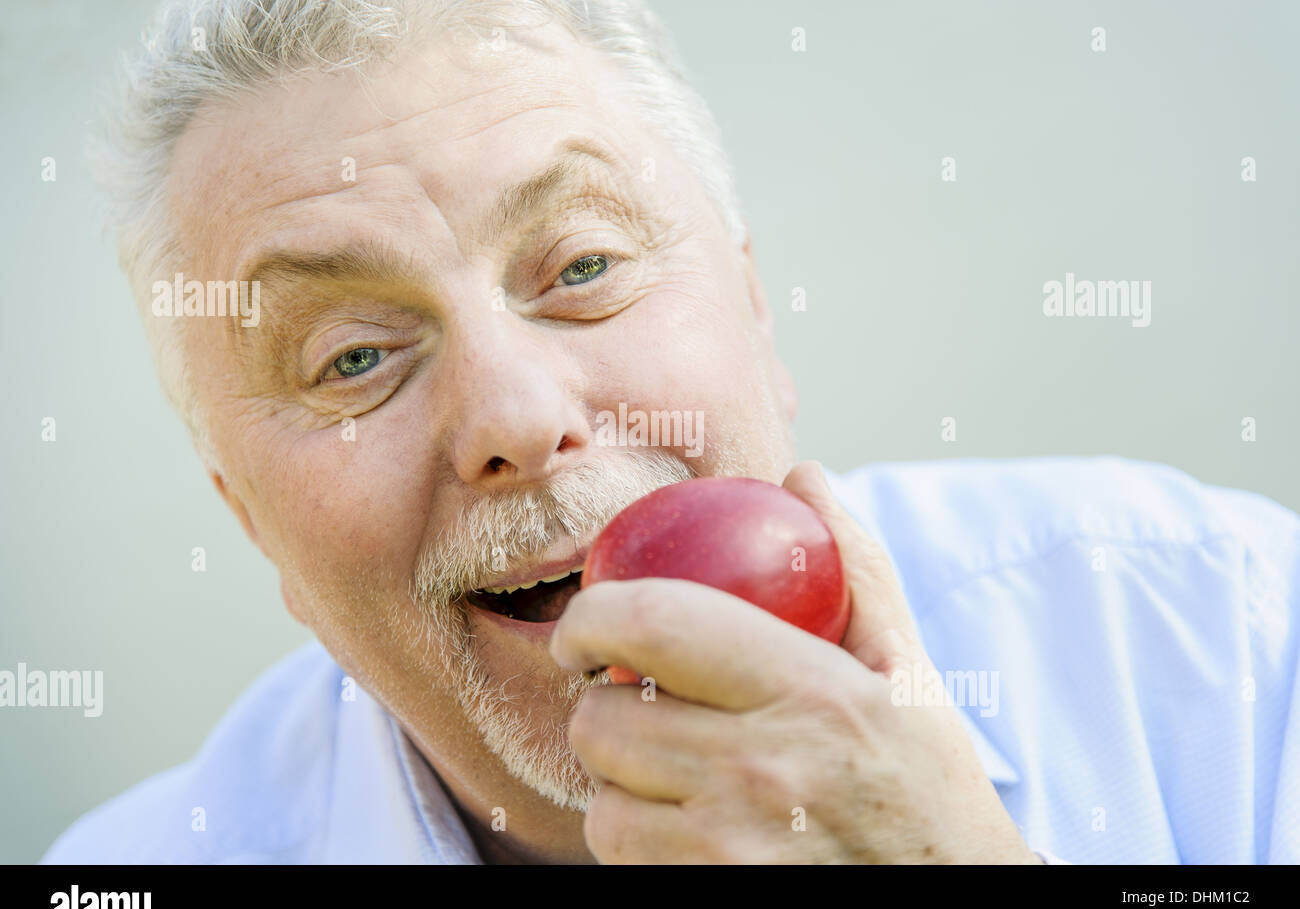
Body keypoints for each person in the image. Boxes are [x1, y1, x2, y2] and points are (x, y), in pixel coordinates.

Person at [43, 0, 1298, 864]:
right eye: (353, 357)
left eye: (583, 263)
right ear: (247, 520)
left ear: (754, 310)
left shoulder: (1221, 636)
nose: (518, 420)